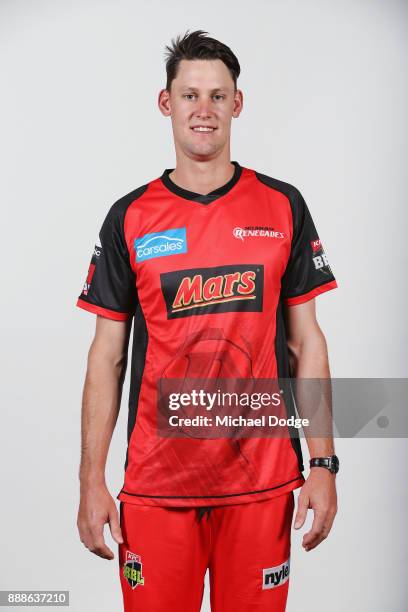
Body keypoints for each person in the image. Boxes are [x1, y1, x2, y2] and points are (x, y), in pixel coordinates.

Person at [76, 29, 339, 612]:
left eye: (218, 96)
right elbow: (106, 357)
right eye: (190, 95)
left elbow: (307, 343)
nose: (204, 110)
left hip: (263, 484)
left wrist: (322, 463)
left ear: (236, 104)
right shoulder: (131, 217)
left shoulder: (283, 205)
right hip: (155, 487)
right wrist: (89, 480)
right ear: (165, 103)